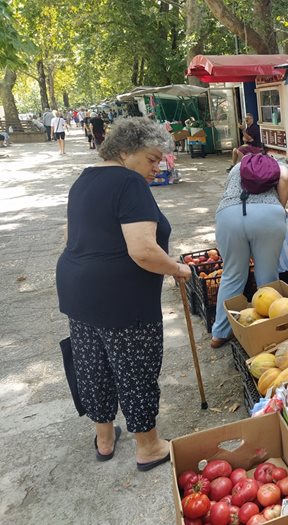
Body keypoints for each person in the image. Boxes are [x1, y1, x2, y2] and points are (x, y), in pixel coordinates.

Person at [55, 117, 191, 470]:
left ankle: (104, 438)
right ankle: (148, 447)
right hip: (121, 297)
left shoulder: (84, 180)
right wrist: (177, 268)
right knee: (135, 368)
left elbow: (71, 237)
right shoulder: (129, 183)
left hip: (77, 289)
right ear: (126, 151)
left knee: (92, 365)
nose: (156, 167)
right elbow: (143, 250)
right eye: (151, 159)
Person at [210, 152, 288, 348]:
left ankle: (220, 333)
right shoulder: (278, 165)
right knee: (267, 277)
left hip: (228, 215)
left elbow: (227, 191)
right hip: (268, 217)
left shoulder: (238, 168)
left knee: (232, 274)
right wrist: (279, 207)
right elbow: (286, 179)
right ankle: (269, 330)